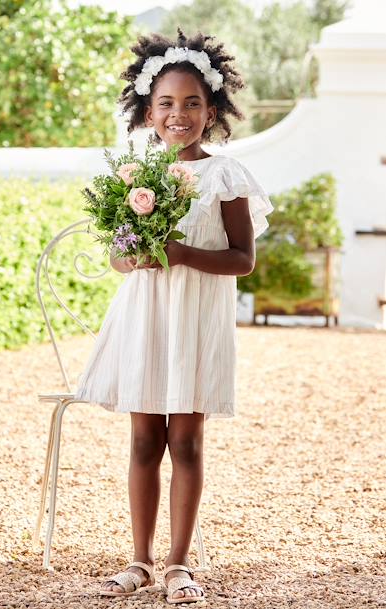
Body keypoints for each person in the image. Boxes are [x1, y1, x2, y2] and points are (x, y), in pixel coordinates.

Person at [75, 29, 273, 605]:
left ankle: (178, 564)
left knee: (185, 441)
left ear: (211, 110)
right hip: (147, 319)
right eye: (166, 103)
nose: (178, 114)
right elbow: (116, 254)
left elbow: (243, 259)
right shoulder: (137, 175)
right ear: (148, 110)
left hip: (196, 321)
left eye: (191, 103)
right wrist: (130, 255)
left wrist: (182, 253)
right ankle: (138, 559)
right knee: (143, 439)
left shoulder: (226, 177)